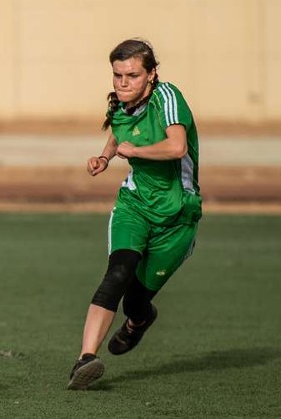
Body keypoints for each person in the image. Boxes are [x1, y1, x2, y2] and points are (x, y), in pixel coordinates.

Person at [67, 39, 202, 391]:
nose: (123, 82)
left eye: (132, 75)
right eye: (117, 75)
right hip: (135, 204)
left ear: (152, 74)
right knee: (118, 271)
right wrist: (105, 157)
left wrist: (132, 150)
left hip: (177, 216)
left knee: (136, 300)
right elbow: (119, 133)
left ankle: (139, 320)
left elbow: (177, 147)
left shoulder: (167, 97)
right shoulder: (120, 105)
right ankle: (85, 360)